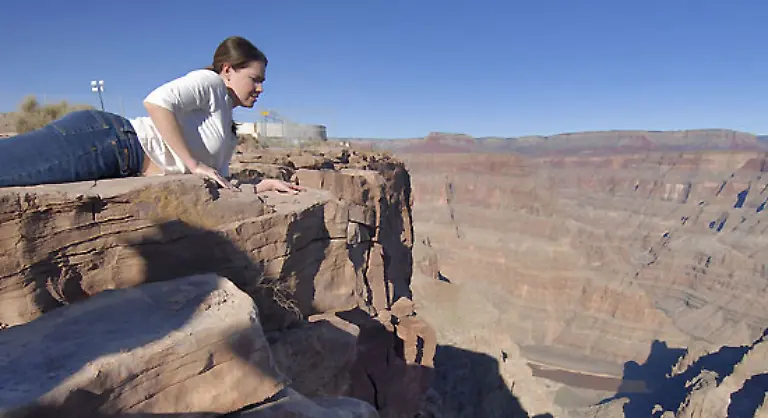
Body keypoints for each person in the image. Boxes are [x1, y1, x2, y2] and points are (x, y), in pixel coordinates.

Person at [0, 36, 302, 195]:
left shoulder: (226, 125)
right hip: (108, 141)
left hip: (117, 160)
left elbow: (219, 180)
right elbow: (157, 102)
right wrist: (192, 163)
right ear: (227, 71)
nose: (260, 88)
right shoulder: (209, 82)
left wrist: (262, 185)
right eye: (254, 79)